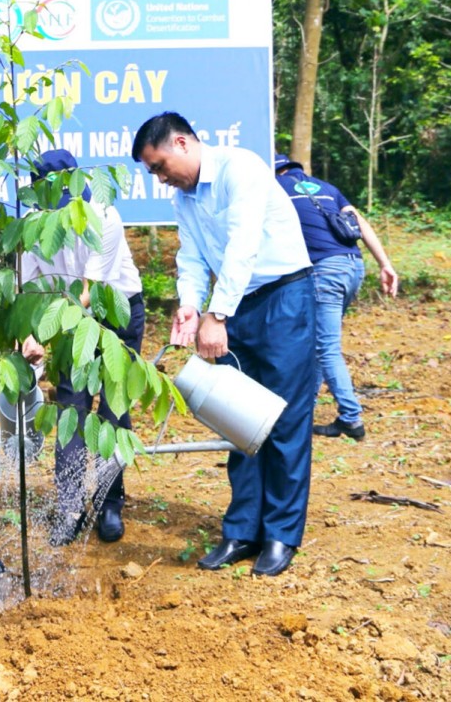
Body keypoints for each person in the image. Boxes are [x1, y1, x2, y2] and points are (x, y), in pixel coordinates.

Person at [132, 112, 316, 577]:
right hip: (235, 304)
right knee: (237, 420)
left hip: (283, 297)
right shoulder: (184, 198)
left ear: (181, 143)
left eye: (158, 166)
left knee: (285, 418)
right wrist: (191, 306)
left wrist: (216, 314)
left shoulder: (241, 169)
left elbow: (243, 244)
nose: (159, 178)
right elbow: (191, 255)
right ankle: (241, 531)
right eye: (152, 172)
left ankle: (280, 535)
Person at [20, 149, 144, 545]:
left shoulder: (105, 215)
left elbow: (90, 291)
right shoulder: (32, 225)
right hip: (65, 316)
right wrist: (28, 332)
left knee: (112, 410)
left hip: (115, 314)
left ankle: (109, 502)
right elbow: (28, 287)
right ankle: (70, 507)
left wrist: (46, 331)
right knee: (71, 410)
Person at [274, 155, 399, 441]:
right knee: (321, 344)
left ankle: (351, 417)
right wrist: (385, 264)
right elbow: (360, 222)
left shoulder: (274, 187)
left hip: (324, 271)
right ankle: (306, 412)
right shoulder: (326, 188)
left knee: (326, 347)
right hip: (353, 267)